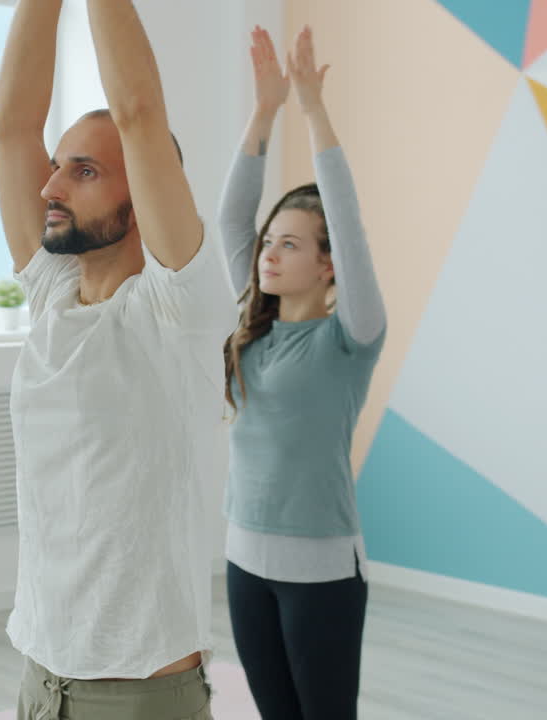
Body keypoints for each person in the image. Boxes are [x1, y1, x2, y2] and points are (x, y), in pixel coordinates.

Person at [0, 1, 238, 717]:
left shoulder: (178, 310)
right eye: (57, 167)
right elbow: (9, 128)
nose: (50, 187)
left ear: (146, 190)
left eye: (85, 171)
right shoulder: (53, 295)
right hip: (41, 675)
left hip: (138, 693)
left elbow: (138, 112)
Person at [218, 25, 387, 720]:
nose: (268, 253)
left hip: (321, 570)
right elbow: (232, 219)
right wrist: (263, 114)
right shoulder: (252, 328)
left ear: (328, 266)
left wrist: (312, 108)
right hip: (243, 560)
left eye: (289, 244)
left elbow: (346, 221)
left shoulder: (352, 337)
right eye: (270, 242)